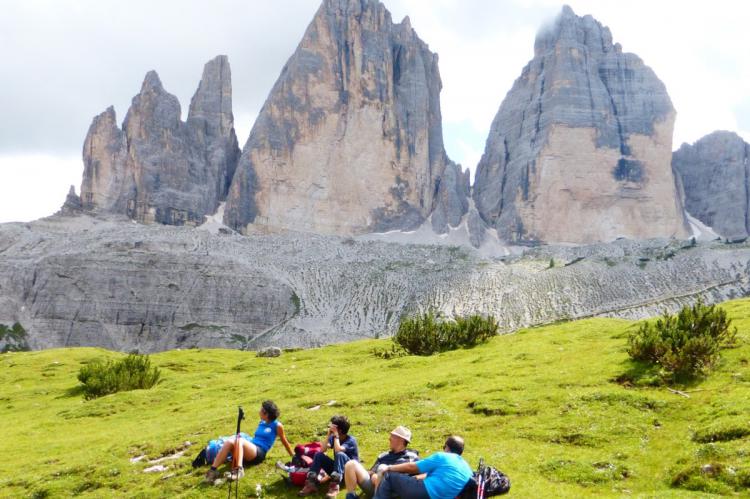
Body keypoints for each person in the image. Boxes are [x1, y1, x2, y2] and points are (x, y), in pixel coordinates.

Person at [204, 400, 294, 483]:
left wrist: (293, 455)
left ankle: (239, 470)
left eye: (261, 409)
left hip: (259, 453)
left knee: (240, 440)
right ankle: (213, 470)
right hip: (250, 448)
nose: (259, 411)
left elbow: (284, 440)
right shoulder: (262, 422)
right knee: (229, 441)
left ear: (266, 413)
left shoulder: (277, 425)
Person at [373, 436, 472, 499]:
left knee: (389, 476)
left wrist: (389, 467)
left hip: (425, 492)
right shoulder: (467, 469)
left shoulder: (443, 456)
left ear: (447, 447)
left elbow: (412, 467)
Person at [343, 425, 420, 499]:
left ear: (401, 440)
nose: (389, 439)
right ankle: (351, 497)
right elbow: (371, 471)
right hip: (375, 487)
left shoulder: (412, 457)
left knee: (382, 467)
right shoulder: (383, 455)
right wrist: (374, 476)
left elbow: (421, 476)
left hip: (395, 491)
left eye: (393, 436)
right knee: (351, 464)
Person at [299, 415, 360, 497]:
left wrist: (336, 436)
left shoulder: (351, 440)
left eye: (333, 427)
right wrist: (328, 435)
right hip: (338, 470)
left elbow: (338, 450)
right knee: (318, 455)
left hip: (349, 474)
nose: (330, 427)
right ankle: (311, 483)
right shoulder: (334, 437)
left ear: (340, 430)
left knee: (340, 454)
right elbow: (322, 450)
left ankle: (334, 487)